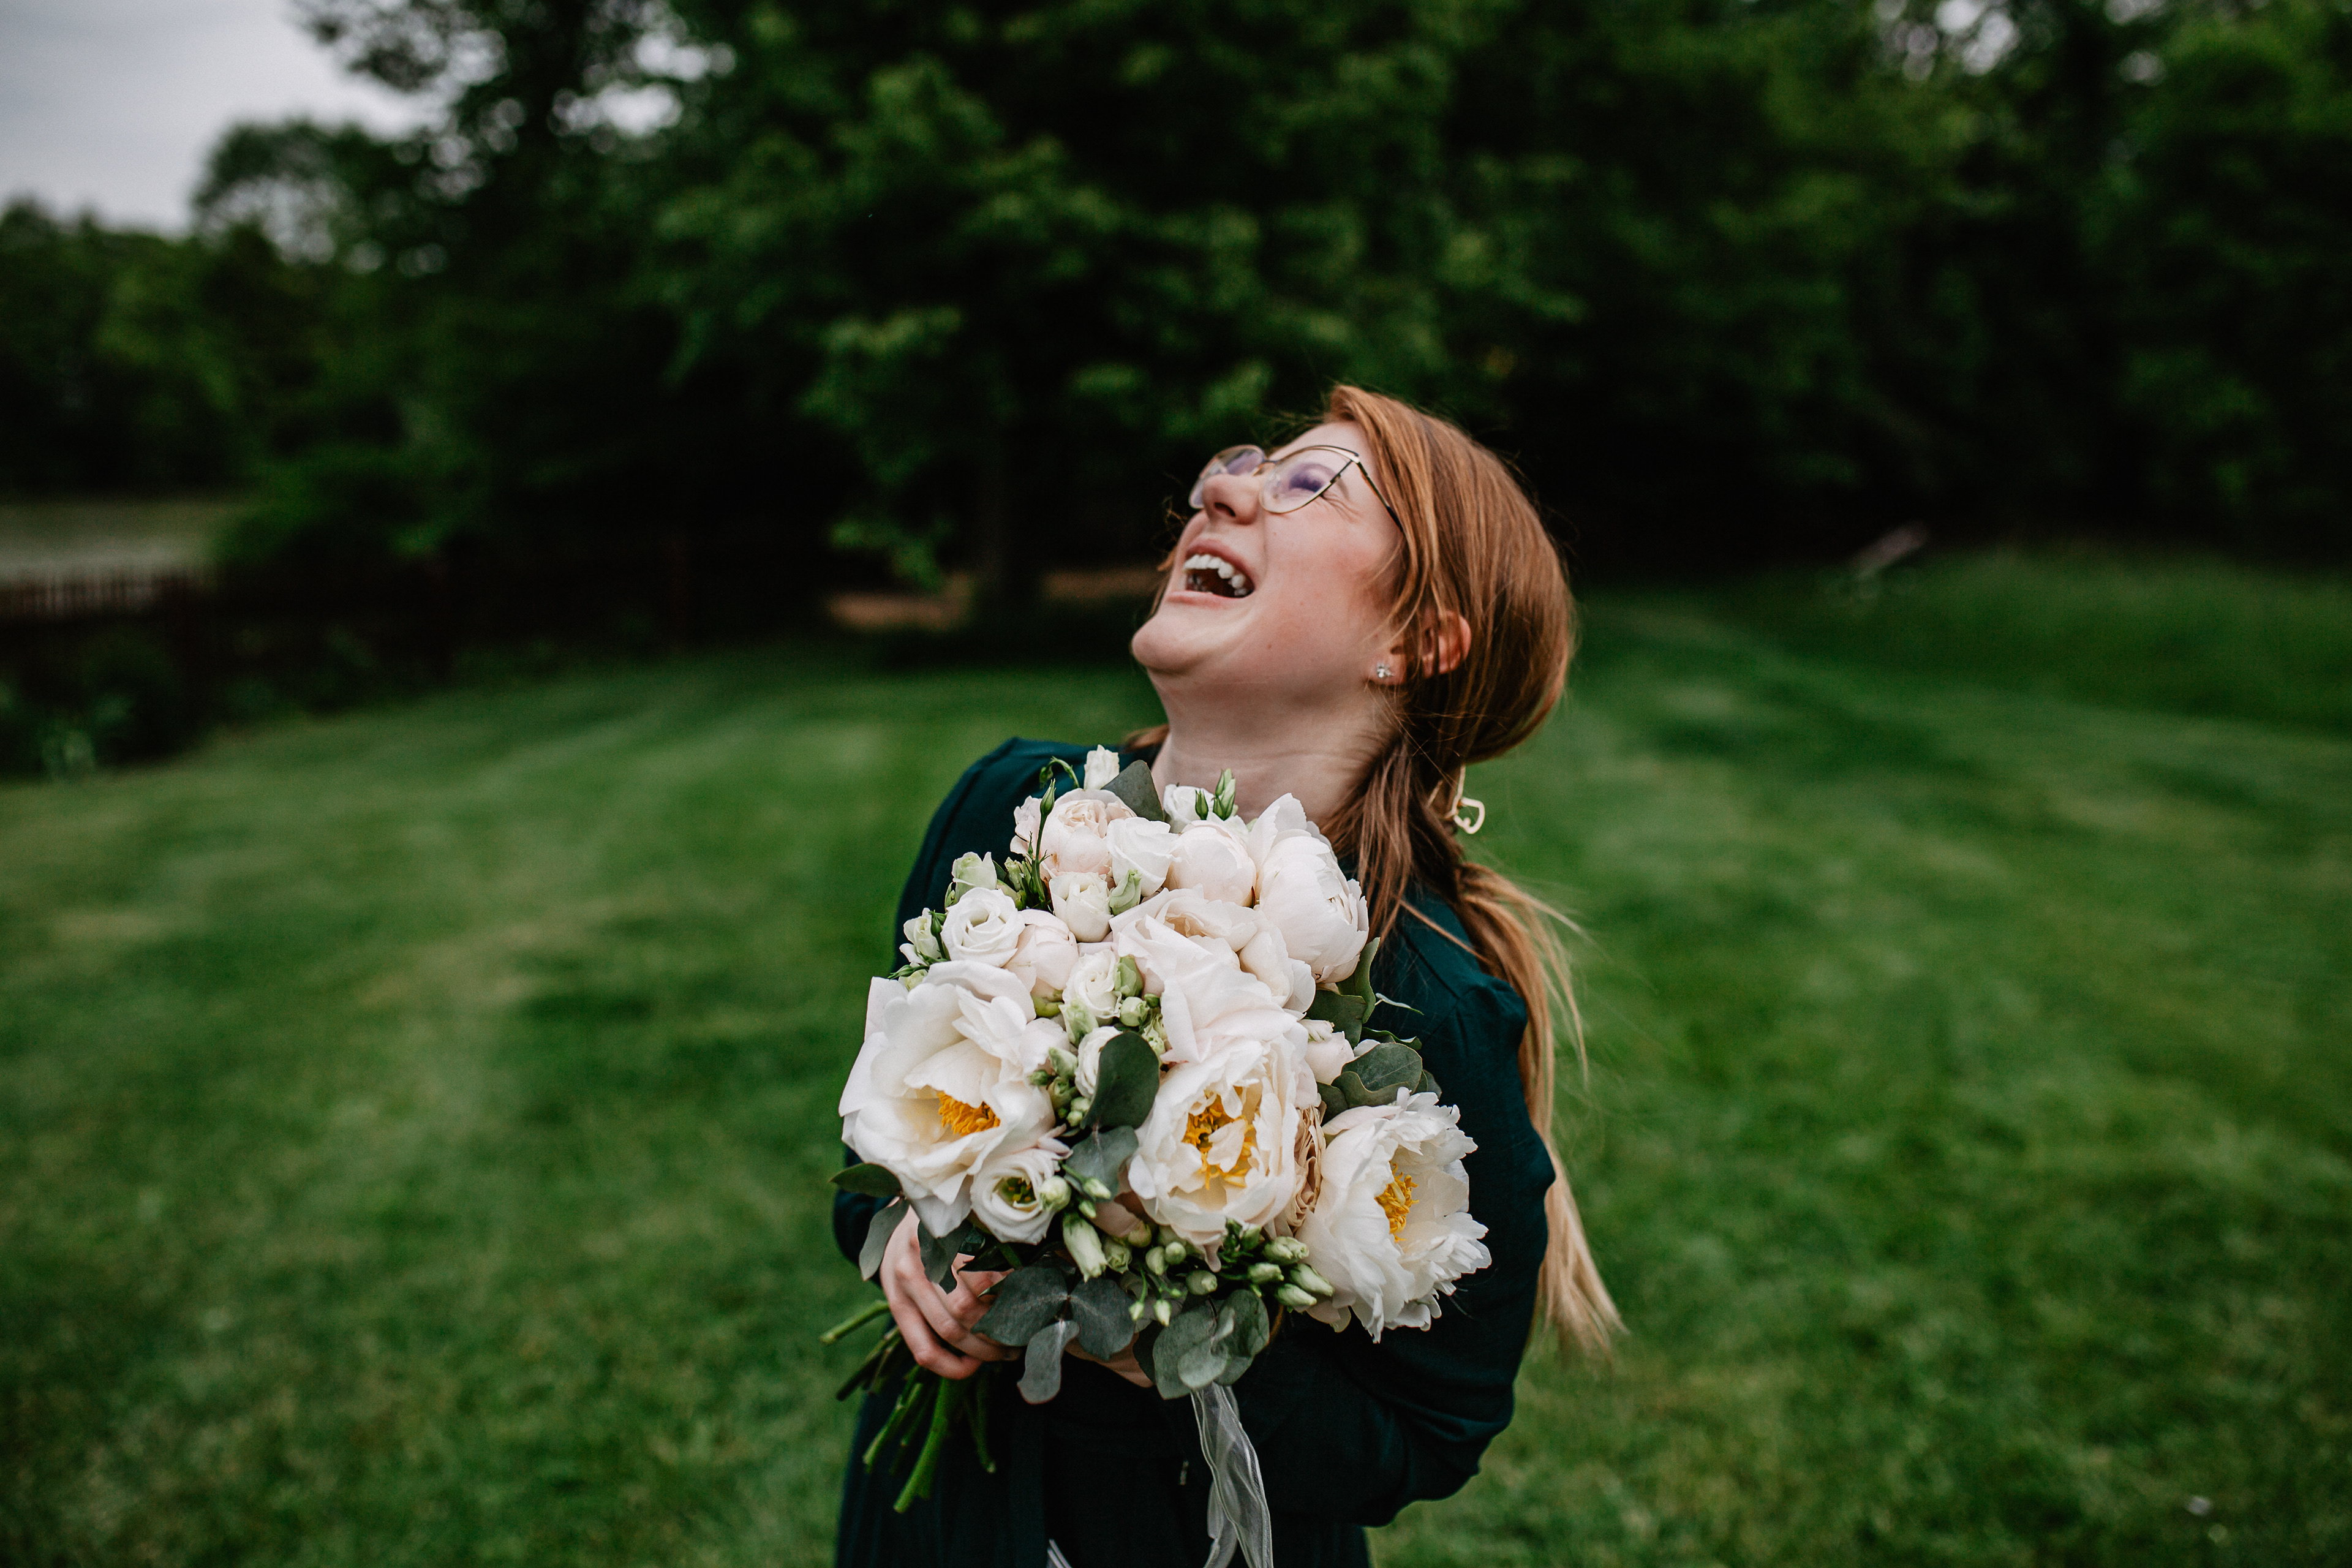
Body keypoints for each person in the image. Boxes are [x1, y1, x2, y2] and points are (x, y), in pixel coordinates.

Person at [832, 385, 1621, 1568]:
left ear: (1418, 640)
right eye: (1241, 464)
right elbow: (874, 1129)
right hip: (926, 1525)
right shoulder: (1008, 813)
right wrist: (902, 1233)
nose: (1219, 488)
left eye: (1309, 485)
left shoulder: (1433, 998)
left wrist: (1165, 1338)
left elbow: (1433, 1428)